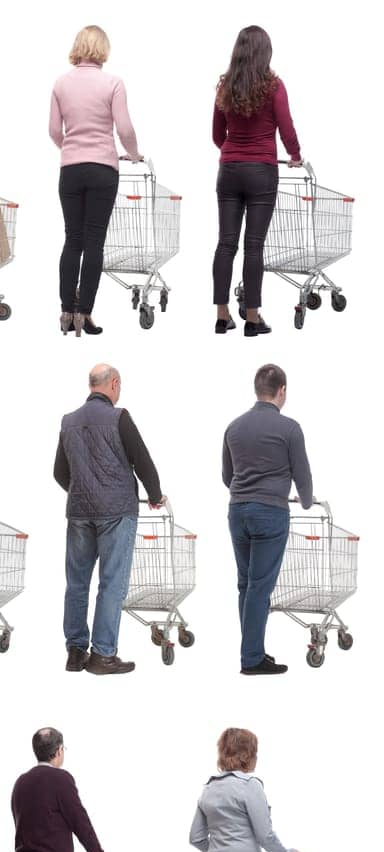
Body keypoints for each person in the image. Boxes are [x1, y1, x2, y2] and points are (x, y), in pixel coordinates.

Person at [53, 364, 165, 675]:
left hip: (78, 513)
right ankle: (102, 655)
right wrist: (155, 496)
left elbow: (59, 472)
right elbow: (143, 461)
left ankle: (75, 653)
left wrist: (82, 490)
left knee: (76, 583)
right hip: (116, 512)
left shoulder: (69, 421)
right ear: (113, 384)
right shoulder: (119, 417)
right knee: (112, 583)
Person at [48, 25, 140, 337]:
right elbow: (124, 128)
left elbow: (52, 130)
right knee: (94, 241)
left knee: (72, 239)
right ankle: (84, 313)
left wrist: (71, 149)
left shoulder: (61, 83)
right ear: (103, 49)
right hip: (103, 170)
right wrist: (134, 154)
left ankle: (65, 310)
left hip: (70, 170)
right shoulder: (113, 83)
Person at [222, 364, 313, 675]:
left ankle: (253, 651)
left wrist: (245, 490)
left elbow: (226, 475)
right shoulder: (289, 428)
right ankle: (251, 659)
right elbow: (302, 473)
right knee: (260, 587)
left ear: (257, 389)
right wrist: (306, 501)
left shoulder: (233, 427)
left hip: (238, 511)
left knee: (246, 585)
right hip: (270, 513)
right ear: (282, 390)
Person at [212, 26, 301, 337]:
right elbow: (286, 127)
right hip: (262, 171)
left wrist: (235, 151)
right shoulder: (273, 86)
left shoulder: (225, 86)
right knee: (254, 246)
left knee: (226, 243)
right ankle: (252, 317)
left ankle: (222, 315)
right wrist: (295, 154)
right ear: (266, 52)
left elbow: (216, 136)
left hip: (229, 170)